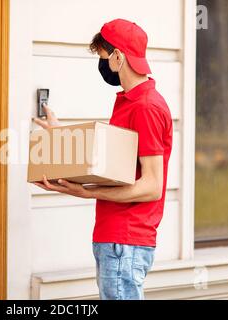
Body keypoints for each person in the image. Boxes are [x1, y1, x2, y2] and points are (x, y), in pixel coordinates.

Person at [34, 19, 173, 300]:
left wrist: (87, 192)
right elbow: (113, 160)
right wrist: (61, 134)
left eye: (103, 57)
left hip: (126, 240)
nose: (102, 65)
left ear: (118, 57)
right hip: (115, 238)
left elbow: (152, 185)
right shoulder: (130, 101)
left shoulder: (145, 107)